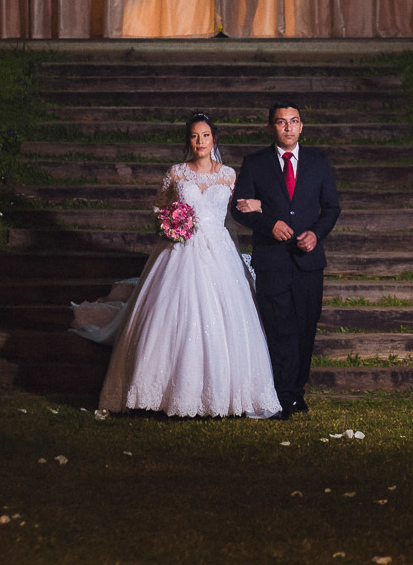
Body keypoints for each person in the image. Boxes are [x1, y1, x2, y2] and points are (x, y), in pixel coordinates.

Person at [73, 113, 281, 418]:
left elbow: (242, 207)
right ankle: (162, 393)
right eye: (195, 136)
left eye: (206, 135)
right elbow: (159, 206)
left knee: (226, 318)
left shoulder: (228, 175)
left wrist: (262, 205)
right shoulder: (176, 173)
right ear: (189, 141)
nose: (200, 141)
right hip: (181, 249)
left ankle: (224, 395)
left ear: (214, 139)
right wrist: (170, 223)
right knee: (171, 313)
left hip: (219, 250)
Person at [230, 102, 341, 419]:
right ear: (271, 128)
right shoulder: (256, 163)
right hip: (272, 262)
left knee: (306, 327)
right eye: (281, 122)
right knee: (280, 330)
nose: (288, 127)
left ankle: (297, 392)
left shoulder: (318, 162)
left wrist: (316, 234)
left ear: (302, 126)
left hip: (308, 261)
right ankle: (281, 395)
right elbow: (239, 208)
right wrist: (269, 223)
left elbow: (331, 208)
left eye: (294, 121)